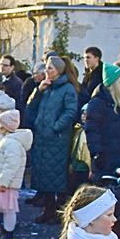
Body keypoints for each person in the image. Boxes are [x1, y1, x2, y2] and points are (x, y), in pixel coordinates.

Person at [25, 55, 79, 223]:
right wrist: (38, 91)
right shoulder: (46, 87)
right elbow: (30, 106)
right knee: (44, 175)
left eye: (50, 68)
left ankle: (58, 211)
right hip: (42, 137)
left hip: (57, 139)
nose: (46, 71)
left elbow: (70, 111)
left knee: (56, 177)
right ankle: (48, 210)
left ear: (59, 71)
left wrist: (55, 127)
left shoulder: (67, 89)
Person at [82, 63, 120, 182]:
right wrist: (97, 154)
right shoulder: (97, 103)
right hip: (106, 157)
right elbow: (92, 130)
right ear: (113, 82)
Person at [0, 110, 33, 239]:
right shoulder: (7, 141)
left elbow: (12, 164)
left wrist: (4, 181)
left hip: (5, 184)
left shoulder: (11, 144)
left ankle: (7, 234)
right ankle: (2, 232)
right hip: (1, 182)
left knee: (8, 209)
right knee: (3, 209)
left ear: (5, 127)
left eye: (0, 125)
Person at [78, 46, 103, 110]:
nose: (85, 60)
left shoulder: (101, 75)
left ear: (97, 58)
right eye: (84, 58)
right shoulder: (87, 74)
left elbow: (88, 93)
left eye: (88, 57)